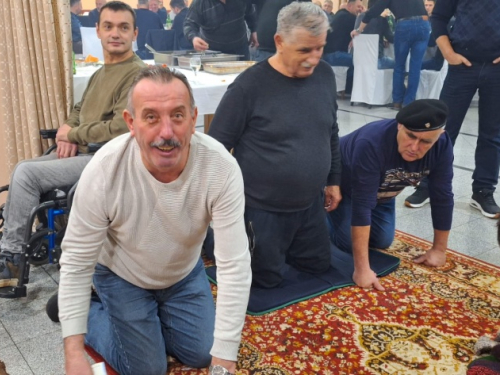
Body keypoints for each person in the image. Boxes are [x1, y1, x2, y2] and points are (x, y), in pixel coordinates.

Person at [59, 66, 251, 375]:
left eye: (177, 115)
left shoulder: (221, 168)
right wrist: (73, 352)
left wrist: (224, 361)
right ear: (131, 123)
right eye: (151, 117)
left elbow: (234, 265)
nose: (166, 132)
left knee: (204, 353)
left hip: (183, 273)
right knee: (148, 369)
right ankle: (91, 311)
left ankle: (147, 319)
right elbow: (77, 261)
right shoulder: (104, 170)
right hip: (121, 276)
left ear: (193, 119)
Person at [0, 1, 145, 290]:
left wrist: (73, 135)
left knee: (27, 174)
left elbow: (120, 127)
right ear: (99, 32)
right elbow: (78, 110)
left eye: (123, 27)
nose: (116, 33)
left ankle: (13, 257)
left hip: (106, 156)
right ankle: (21, 244)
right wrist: (67, 131)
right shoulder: (100, 73)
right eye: (109, 26)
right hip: (84, 149)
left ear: (134, 33)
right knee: (23, 169)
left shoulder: (136, 73)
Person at [208, 2, 341, 289]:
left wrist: (333, 180)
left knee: (319, 267)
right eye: (304, 50)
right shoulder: (248, 87)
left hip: (309, 206)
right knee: (263, 280)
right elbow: (215, 148)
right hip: (262, 208)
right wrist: (220, 208)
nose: (313, 58)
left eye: (320, 48)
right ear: (279, 42)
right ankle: (218, 238)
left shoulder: (326, 75)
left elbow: (330, 130)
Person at [329, 99, 453, 290]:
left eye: (425, 142)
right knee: (346, 243)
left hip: (383, 193)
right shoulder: (372, 142)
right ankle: (313, 214)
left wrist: (438, 249)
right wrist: (362, 269)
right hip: (343, 185)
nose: (414, 147)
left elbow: (442, 197)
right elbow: (362, 205)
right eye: (410, 136)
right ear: (399, 126)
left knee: (382, 241)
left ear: (439, 136)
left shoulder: (442, 146)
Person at [405, 0, 500, 218]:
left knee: (492, 134)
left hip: (497, 69)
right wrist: (448, 53)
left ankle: (483, 191)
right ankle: (428, 185)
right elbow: (438, 17)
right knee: (442, 130)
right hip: (461, 65)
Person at [352, 0, 430, 108]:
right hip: (423, 23)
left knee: (399, 66)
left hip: (404, 24)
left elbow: (374, 10)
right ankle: (408, 103)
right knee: (415, 67)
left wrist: (359, 29)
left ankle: (397, 101)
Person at [184, 0, 258, 60]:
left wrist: (254, 30)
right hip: (213, 54)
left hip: (240, 51)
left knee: (243, 77)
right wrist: (194, 38)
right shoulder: (200, 2)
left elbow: (250, 13)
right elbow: (189, 24)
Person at [323, 0, 363, 94]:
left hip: (327, 55)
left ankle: (346, 88)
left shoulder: (339, 15)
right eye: (358, 7)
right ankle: (354, 91)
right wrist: (364, 14)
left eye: (361, 7)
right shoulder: (350, 18)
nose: (360, 9)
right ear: (349, 7)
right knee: (362, 61)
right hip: (336, 56)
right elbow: (364, 29)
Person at [359, 0, 394, 69]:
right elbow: (391, 38)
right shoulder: (381, 19)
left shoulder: (360, 17)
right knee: (399, 66)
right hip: (377, 60)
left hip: (361, 60)